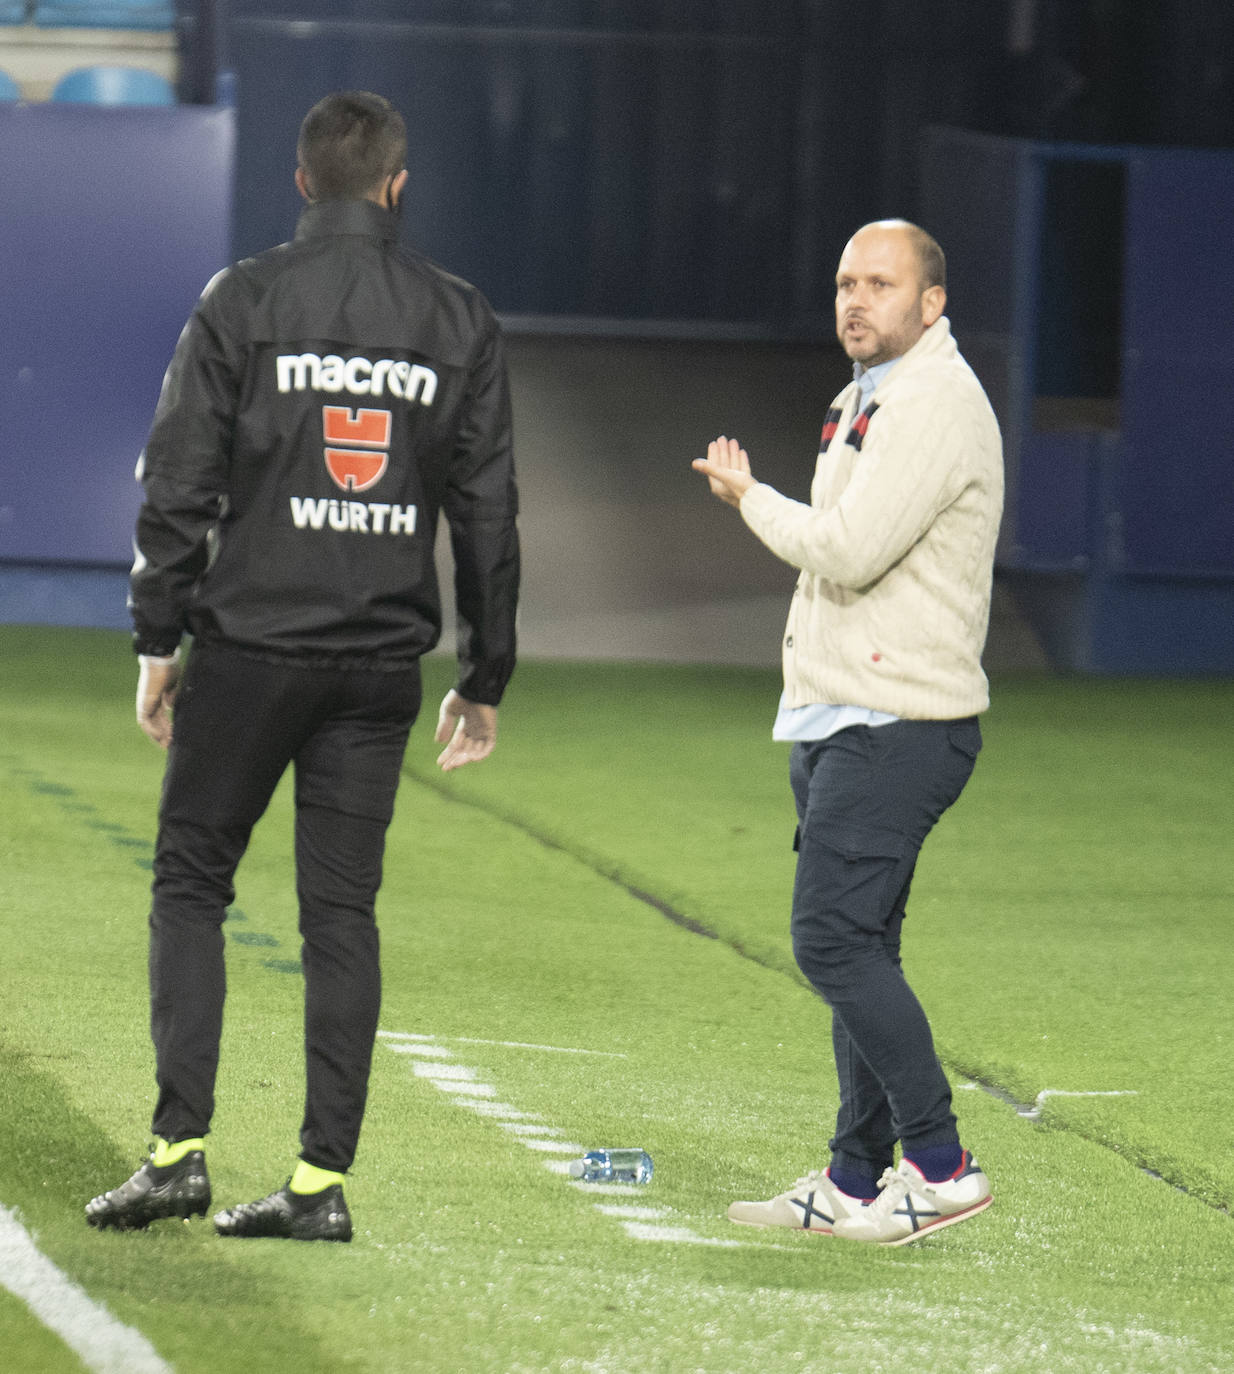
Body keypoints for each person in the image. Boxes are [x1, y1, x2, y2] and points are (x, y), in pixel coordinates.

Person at [86, 91, 519, 1243]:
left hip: (249, 650)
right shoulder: (458, 318)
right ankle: (320, 1186)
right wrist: (486, 672)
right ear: (395, 186)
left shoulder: (243, 300)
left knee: (191, 882)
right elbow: (486, 512)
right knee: (341, 916)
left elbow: (177, 483)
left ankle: (178, 1152)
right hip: (379, 667)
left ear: (299, 184)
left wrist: (155, 636)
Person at [692, 220, 1002, 1245]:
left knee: (830, 940)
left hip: (898, 721)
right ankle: (855, 1176)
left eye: (880, 283)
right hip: (846, 712)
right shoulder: (865, 396)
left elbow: (849, 550)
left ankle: (942, 1165)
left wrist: (749, 499)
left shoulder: (931, 405)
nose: (855, 301)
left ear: (931, 303)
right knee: (862, 944)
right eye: (843, 284)